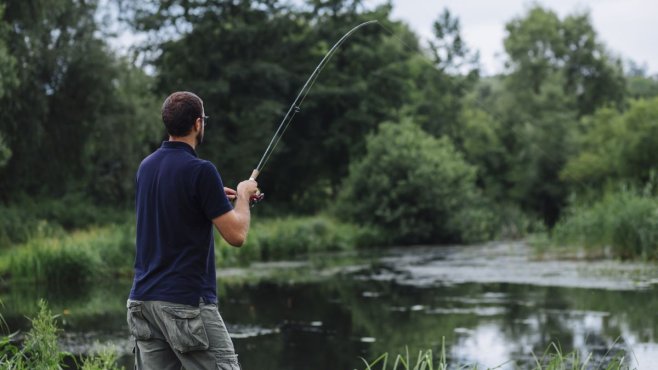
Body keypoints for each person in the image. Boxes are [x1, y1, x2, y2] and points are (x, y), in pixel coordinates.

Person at [126, 91, 258, 370]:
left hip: (142, 302)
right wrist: (244, 195)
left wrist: (209, 197)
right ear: (198, 123)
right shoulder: (202, 171)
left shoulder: (146, 167)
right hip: (185, 302)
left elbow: (176, 204)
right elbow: (237, 235)